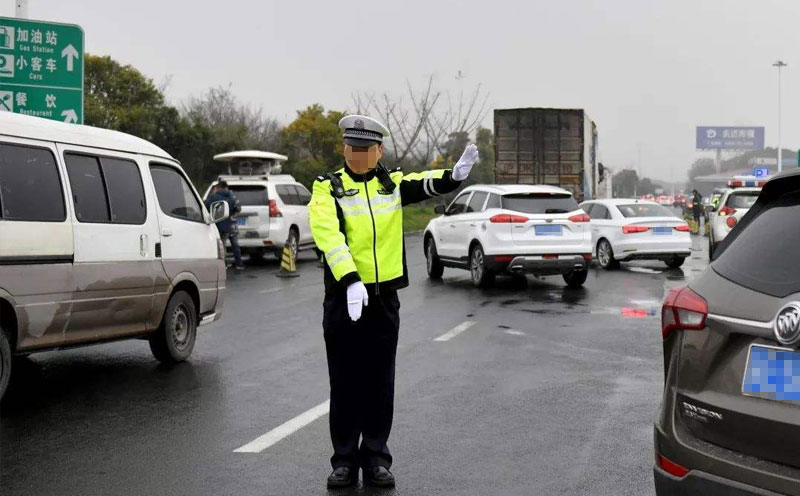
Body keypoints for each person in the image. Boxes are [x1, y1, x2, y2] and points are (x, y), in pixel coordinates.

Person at [310, 115, 478, 488]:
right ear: (344, 149)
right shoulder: (328, 187)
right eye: (352, 148)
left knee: (380, 381)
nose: (357, 155)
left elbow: (426, 183)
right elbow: (328, 235)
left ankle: (376, 458)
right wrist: (350, 280)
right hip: (344, 299)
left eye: (365, 149)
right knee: (345, 381)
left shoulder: (392, 184)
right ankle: (343, 461)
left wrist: (455, 175)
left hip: (383, 298)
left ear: (379, 151)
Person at [205, 180, 244, 270]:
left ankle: (223, 264)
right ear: (226, 187)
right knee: (235, 245)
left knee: (222, 245)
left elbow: (206, 207)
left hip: (219, 224)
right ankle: (239, 264)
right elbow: (238, 208)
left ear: (218, 187)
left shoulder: (213, 197)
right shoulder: (232, 197)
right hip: (232, 225)